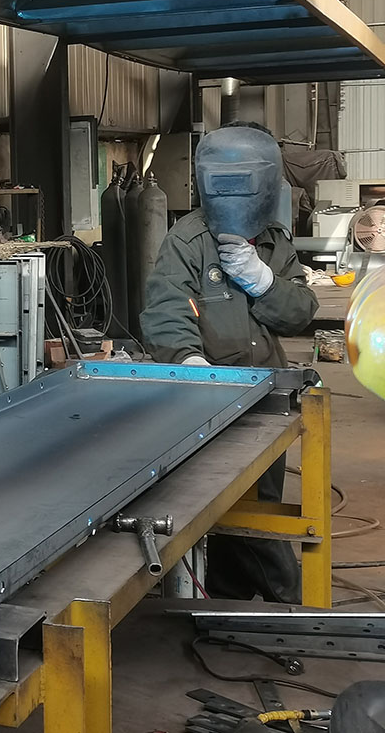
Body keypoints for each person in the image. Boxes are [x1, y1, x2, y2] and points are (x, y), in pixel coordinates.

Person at [141, 122, 318, 603]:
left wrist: (265, 283)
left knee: (261, 501)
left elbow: (301, 313)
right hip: (212, 399)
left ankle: (230, 601)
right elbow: (165, 310)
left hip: (268, 393)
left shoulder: (275, 241)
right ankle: (284, 603)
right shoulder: (187, 241)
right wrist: (189, 361)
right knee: (232, 504)